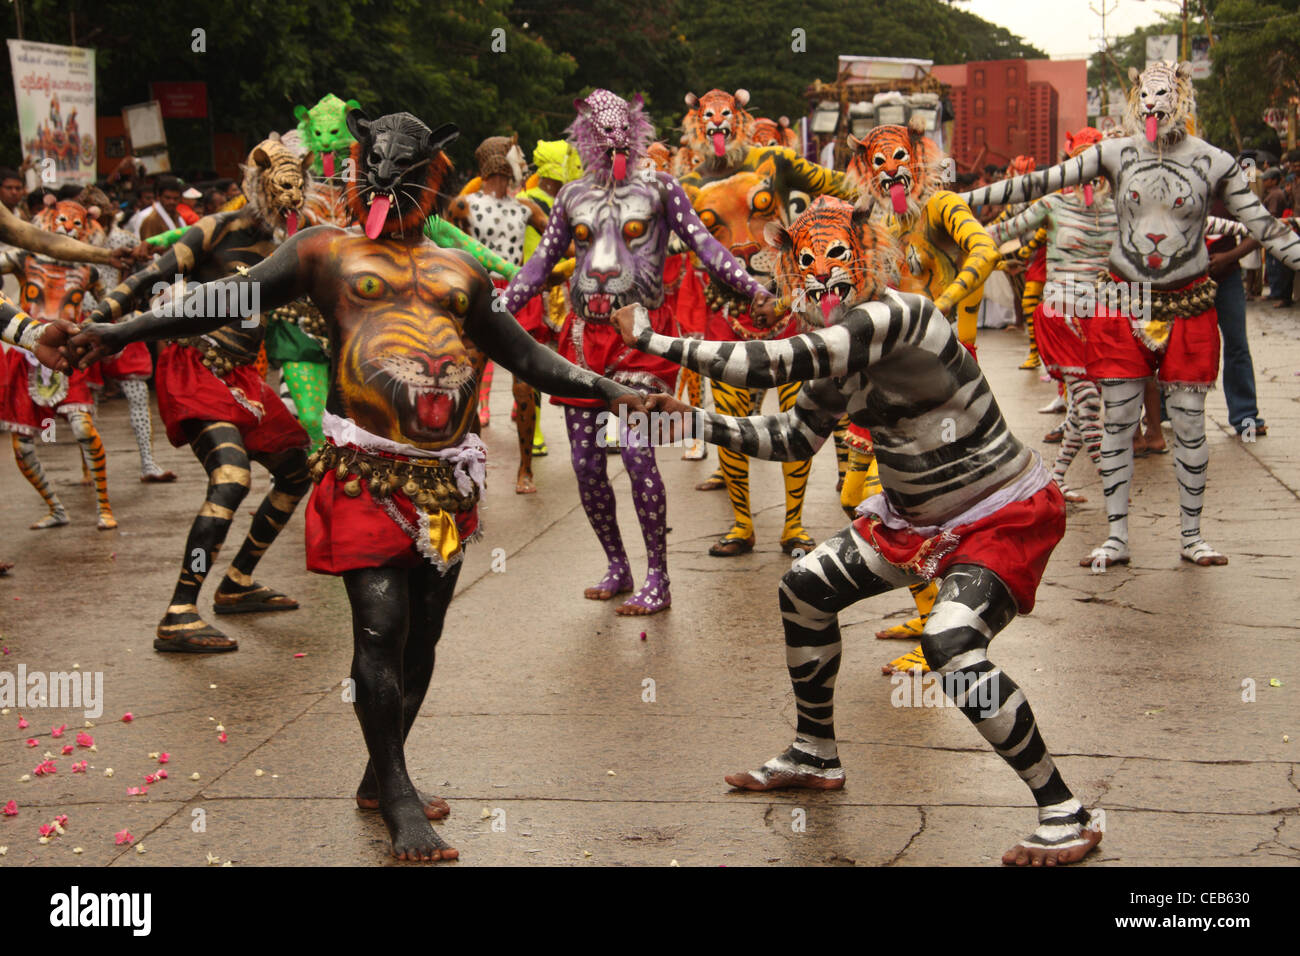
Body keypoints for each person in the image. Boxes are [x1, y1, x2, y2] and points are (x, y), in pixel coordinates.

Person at [68, 109, 649, 865]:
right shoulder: (322, 251)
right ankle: (401, 798)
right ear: (358, 166)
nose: (386, 180)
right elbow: (222, 299)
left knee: (425, 638)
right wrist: (121, 330)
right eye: (374, 163)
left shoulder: (460, 271)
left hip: (446, 485)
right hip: (365, 473)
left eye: (404, 170)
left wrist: (613, 389)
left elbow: (529, 356)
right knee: (380, 625)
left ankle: (381, 773)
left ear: (432, 178)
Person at [610, 195, 1103, 866]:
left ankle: (1064, 811)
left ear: (868, 257)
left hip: (999, 515)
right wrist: (689, 420)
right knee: (804, 590)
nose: (821, 277)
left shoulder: (902, 315)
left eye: (837, 257)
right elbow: (790, 436)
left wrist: (650, 340)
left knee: (951, 644)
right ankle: (815, 752)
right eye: (804, 264)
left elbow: (775, 365)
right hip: (911, 523)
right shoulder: (834, 355)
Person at [957, 61, 1300, 568]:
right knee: (1115, 421)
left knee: (1189, 425)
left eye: (1164, 96)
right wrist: (950, 203)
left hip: (1190, 302)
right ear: (1135, 98)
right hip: (1121, 300)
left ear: (1183, 97)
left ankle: (1191, 537)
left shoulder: (1213, 162)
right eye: (1146, 96)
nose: (1153, 107)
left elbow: (1267, 228)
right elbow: (1038, 184)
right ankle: (1117, 536)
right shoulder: (1115, 154)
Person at [501, 89, 775, 615]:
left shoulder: (661, 190)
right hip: (582, 341)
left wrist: (754, 289)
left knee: (636, 451)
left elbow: (706, 247)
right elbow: (540, 263)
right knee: (584, 463)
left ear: (636, 129)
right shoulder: (571, 196)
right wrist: (496, 307)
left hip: (641, 338)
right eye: (601, 132)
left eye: (620, 129)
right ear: (584, 137)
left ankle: (659, 577)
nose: (613, 141)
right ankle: (617, 566)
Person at [1262, 168, 1293, 308]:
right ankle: (1277, 292)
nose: (1263, 182)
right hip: (1278, 231)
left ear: (1273, 180)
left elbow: (1272, 214)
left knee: (1276, 265)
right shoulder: (1274, 193)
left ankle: (1278, 293)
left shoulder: (1275, 195)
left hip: (1275, 232)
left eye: (1266, 179)